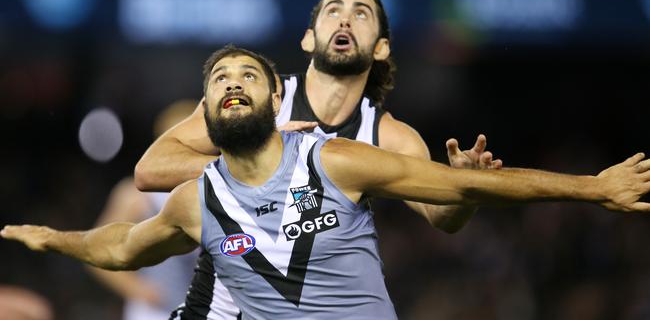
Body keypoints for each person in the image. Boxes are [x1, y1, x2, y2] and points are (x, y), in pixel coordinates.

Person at [3, 47, 649, 319]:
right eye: (219, 80)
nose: (232, 84)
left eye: (247, 76)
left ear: (278, 97)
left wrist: (595, 188)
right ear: (205, 112)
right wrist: (54, 239)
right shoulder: (195, 202)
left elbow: (466, 192)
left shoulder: (334, 160)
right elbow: (118, 246)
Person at [134, 0, 502, 318]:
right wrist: (252, 163)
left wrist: (466, 188)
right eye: (333, 10)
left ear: (381, 47)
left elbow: (441, 217)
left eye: (361, 13)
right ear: (309, 39)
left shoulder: (389, 137)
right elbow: (151, 170)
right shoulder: (261, 96)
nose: (345, 20)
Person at [86, 100, 199, 320]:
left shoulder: (217, 190)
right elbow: (95, 251)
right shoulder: (138, 195)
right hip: (154, 312)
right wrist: (137, 288)